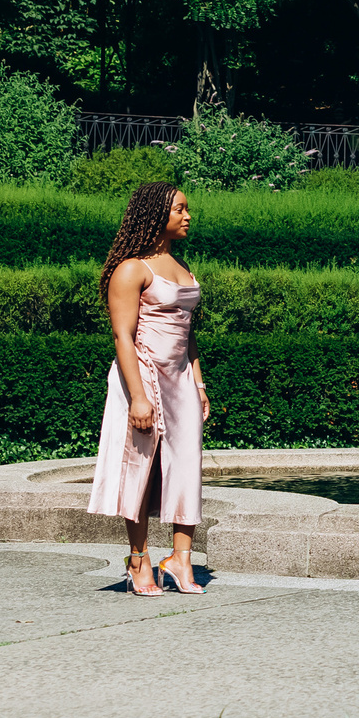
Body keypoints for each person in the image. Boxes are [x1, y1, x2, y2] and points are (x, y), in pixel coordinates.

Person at [88, 182, 211, 595]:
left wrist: (199, 382)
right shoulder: (131, 269)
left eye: (187, 208)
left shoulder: (181, 266)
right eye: (179, 209)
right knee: (140, 468)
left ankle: (180, 559)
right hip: (141, 377)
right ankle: (138, 561)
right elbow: (123, 337)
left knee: (187, 464)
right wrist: (138, 396)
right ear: (156, 214)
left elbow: (189, 333)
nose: (187, 216)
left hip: (180, 380)